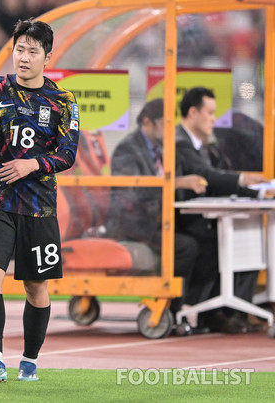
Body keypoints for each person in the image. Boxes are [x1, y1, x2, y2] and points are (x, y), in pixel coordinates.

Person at [0, 19, 79, 383]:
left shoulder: (63, 100)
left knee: (36, 286)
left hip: (39, 208)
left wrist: (32, 164)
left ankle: (29, 361)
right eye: (20, 49)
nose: (25, 57)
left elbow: (68, 154)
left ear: (48, 57)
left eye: (33, 51)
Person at [175, 86, 268, 333]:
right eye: (210, 113)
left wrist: (257, 192)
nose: (214, 119)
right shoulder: (180, 142)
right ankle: (208, 310)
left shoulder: (204, 146)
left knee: (244, 235)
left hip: (200, 218)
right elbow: (207, 176)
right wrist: (241, 181)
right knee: (221, 241)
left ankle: (227, 310)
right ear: (193, 112)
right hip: (181, 221)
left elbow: (215, 178)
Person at [106, 98, 207, 317]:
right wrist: (178, 183)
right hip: (132, 225)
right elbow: (133, 194)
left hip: (153, 220)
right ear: (147, 122)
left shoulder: (159, 149)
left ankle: (196, 308)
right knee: (186, 246)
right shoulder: (127, 149)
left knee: (204, 235)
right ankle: (171, 308)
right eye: (166, 123)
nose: (170, 128)